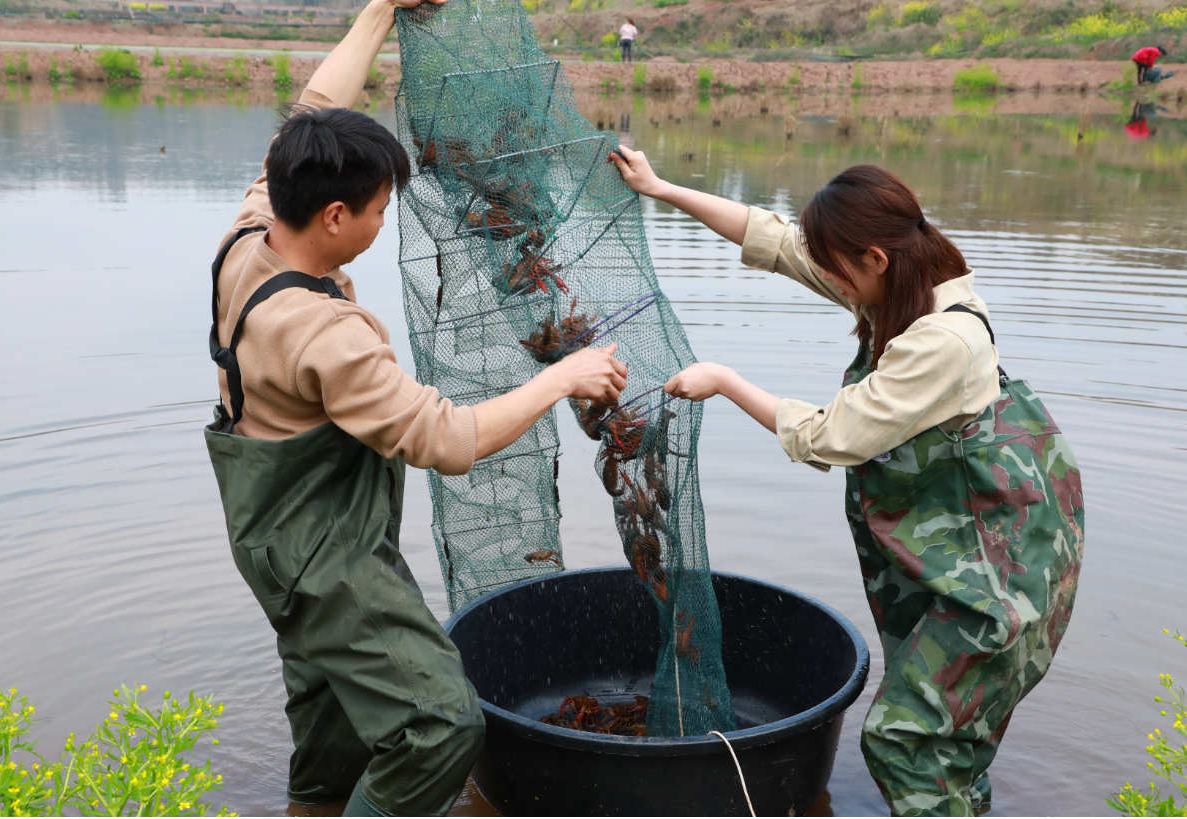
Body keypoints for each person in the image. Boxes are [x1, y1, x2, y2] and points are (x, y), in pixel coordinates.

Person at [205, 1, 629, 815]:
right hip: (325, 559)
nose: (381, 219)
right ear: (335, 216)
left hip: (270, 537)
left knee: (334, 732)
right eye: (376, 210)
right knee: (439, 725)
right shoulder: (329, 334)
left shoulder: (254, 233)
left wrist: (381, 10)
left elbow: (313, 108)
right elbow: (446, 437)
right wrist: (563, 375)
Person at [608, 148, 1085, 817]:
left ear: (874, 258)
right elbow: (774, 241)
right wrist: (661, 188)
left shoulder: (942, 340)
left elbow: (833, 437)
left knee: (904, 736)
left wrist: (722, 380)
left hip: (1000, 569)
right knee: (951, 743)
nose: (829, 278)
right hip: (954, 554)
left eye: (837, 267)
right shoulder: (898, 280)